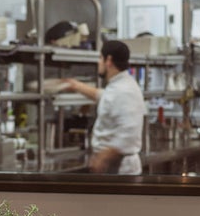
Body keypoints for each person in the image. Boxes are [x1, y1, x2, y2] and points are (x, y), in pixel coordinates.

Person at [61, 40, 146, 175]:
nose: (98, 62)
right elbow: (104, 97)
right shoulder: (120, 85)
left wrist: (102, 158)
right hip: (114, 166)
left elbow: (128, 134)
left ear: (109, 60)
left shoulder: (125, 90)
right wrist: (76, 85)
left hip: (119, 169)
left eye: (100, 58)